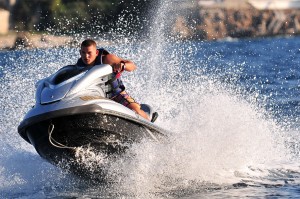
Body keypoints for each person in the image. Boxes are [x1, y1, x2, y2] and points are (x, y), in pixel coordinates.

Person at [76, 39, 158, 122]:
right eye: (83, 53)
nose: (86, 56)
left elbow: (133, 66)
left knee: (136, 112)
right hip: (97, 98)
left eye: (89, 53)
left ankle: (148, 120)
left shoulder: (107, 59)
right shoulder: (78, 67)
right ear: (80, 52)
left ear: (96, 53)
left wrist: (123, 65)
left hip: (116, 95)